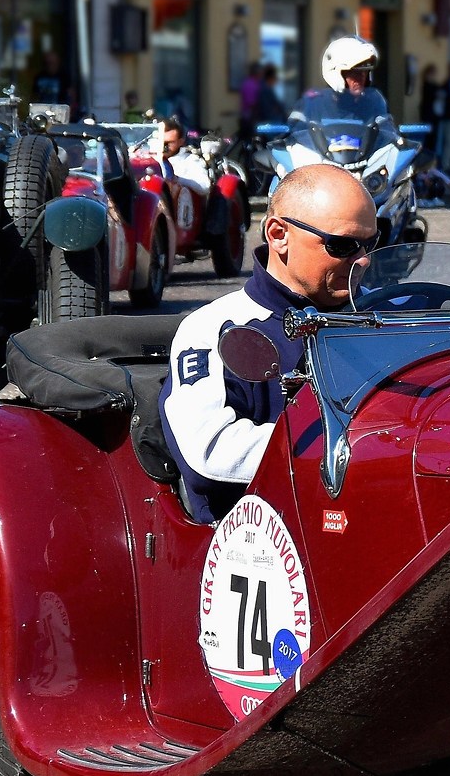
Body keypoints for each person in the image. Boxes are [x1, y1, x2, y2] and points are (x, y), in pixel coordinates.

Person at [161, 162, 374, 523]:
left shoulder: (383, 316)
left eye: (372, 241)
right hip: (260, 546)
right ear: (278, 235)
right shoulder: (214, 328)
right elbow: (209, 455)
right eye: (342, 245)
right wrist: (360, 450)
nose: (363, 260)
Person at [296, 37, 390, 125]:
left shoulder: (373, 102)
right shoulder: (313, 102)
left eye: (364, 72)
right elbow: (294, 134)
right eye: (354, 72)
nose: (361, 77)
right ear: (335, 73)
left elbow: (386, 133)